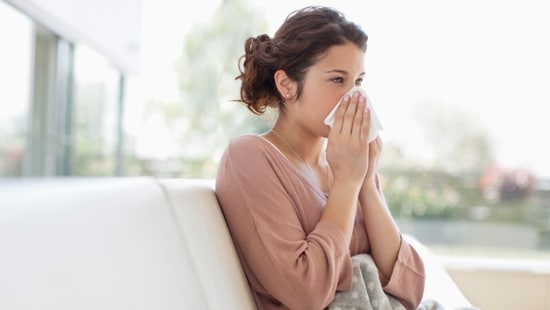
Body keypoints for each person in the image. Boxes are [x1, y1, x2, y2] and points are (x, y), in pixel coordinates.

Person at [215, 5, 425, 310]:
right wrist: (348, 184)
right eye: (338, 80)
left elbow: (411, 289)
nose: (355, 98)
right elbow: (306, 293)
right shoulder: (250, 157)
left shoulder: (346, 166)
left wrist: (365, 183)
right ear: (286, 84)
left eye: (359, 82)